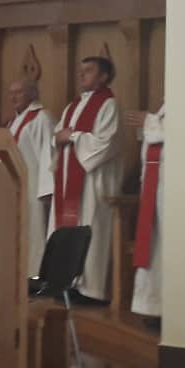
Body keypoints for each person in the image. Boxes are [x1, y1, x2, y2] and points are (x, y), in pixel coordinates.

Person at [49, 56, 123, 303]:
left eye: (89, 71)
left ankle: (91, 290)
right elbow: (58, 135)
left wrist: (73, 137)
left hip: (92, 183)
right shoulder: (73, 105)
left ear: (104, 76)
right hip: (68, 178)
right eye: (80, 71)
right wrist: (60, 138)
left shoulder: (109, 105)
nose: (81, 75)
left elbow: (106, 143)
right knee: (68, 230)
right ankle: (68, 283)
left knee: (92, 229)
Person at [5, 77, 56, 277]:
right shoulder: (13, 121)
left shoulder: (42, 118)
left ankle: (34, 277)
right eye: (11, 93)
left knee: (34, 233)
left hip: (34, 188)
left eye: (19, 92)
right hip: (15, 188)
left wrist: (47, 190)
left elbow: (48, 155)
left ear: (33, 94)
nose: (13, 97)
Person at [129, 103, 165, 320]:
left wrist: (149, 122)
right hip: (156, 187)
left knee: (165, 248)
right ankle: (154, 308)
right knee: (155, 248)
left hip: (170, 191)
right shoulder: (166, 107)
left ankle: (165, 310)